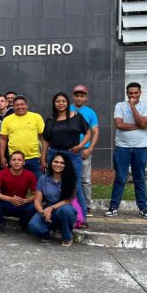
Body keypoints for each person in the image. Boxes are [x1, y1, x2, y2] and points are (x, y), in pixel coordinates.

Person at [41, 92, 90, 224]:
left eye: (63, 101)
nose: (61, 104)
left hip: (72, 155)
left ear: (68, 103)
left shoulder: (77, 117)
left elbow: (88, 133)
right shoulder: (50, 119)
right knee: (53, 184)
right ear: (54, 103)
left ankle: (83, 218)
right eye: (58, 101)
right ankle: (53, 213)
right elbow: (45, 140)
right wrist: (43, 158)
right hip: (54, 155)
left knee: (76, 186)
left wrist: (80, 146)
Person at [107, 82, 147, 219]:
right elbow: (119, 125)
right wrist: (142, 126)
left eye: (135, 93)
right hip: (122, 148)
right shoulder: (120, 106)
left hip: (140, 148)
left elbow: (144, 122)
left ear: (140, 93)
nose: (133, 95)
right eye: (130, 93)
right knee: (120, 178)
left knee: (139, 179)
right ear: (127, 93)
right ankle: (113, 207)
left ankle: (143, 209)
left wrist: (133, 107)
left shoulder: (146, 106)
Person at [29, 152, 78, 247]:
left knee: (65, 209)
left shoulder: (71, 179)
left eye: (62, 163)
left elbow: (67, 200)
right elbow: (37, 200)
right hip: (47, 212)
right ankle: (49, 233)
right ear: (51, 163)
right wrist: (43, 212)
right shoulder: (43, 178)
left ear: (66, 165)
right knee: (33, 226)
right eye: (56, 161)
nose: (58, 165)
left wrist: (51, 208)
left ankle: (67, 236)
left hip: (65, 210)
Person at [0, 151, 37, 235]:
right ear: (10, 162)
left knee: (34, 206)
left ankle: (21, 225)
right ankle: (0, 222)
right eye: (14, 160)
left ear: (23, 162)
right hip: (6, 204)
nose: (16, 162)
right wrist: (10, 199)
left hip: (21, 204)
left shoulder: (30, 175)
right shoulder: (2, 173)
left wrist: (25, 201)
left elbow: (36, 194)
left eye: (19, 160)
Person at [70, 85, 99, 216]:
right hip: (68, 150)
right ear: (73, 96)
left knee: (85, 180)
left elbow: (95, 132)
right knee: (67, 178)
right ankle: (69, 203)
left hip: (84, 151)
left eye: (82, 95)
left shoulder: (90, 112)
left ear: (86, 97)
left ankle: (86, 206)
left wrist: (90, 149)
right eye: (77, 95)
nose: (79, 97)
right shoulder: (67, 109)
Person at [0, 96, 44, 178]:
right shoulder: (7, 119)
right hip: (15, 159)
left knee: (39, 184)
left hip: (34, 157)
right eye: (17, 105)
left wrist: (43, 156)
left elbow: (43, 137)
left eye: (22, 104)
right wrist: (2, 157)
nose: (20, 107)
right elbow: (3, 139)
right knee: (16, 184)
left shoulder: (36, 117)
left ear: (27, 105)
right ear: (13, 106)